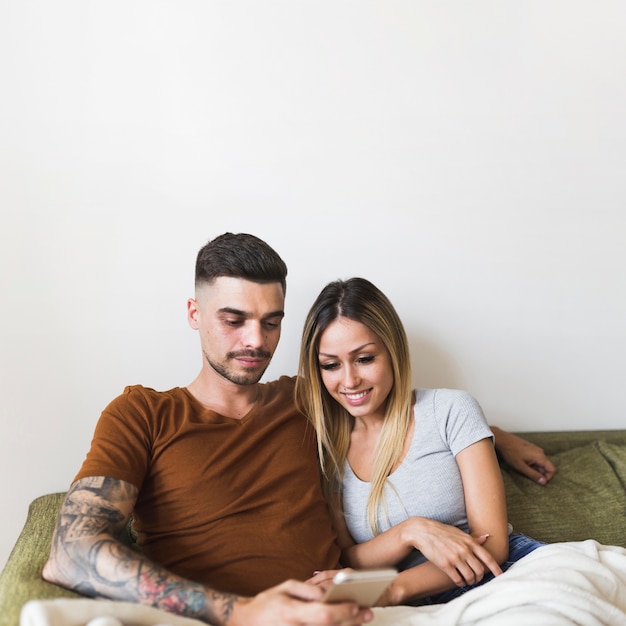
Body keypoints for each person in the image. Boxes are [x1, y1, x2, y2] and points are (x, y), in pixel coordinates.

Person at [43, 233, 555, 625]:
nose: (255, 340)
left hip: (338, 611)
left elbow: (389, 407)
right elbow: (71, 553)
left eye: (271, 321)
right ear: (194, 314)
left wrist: (495, 436)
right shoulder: (142, 414)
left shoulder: (306, 401)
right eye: (234, 319)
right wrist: (242, 612)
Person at [296, 277, 547, 606]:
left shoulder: (450, 410)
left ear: (393, 351)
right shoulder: (328, 449)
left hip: (501, 578)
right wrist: (409, 532)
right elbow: (349, 557)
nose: (349, 380)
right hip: (416, 606)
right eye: (330, 365)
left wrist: (393, 589)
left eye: (365, 358)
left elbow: (494, 545)